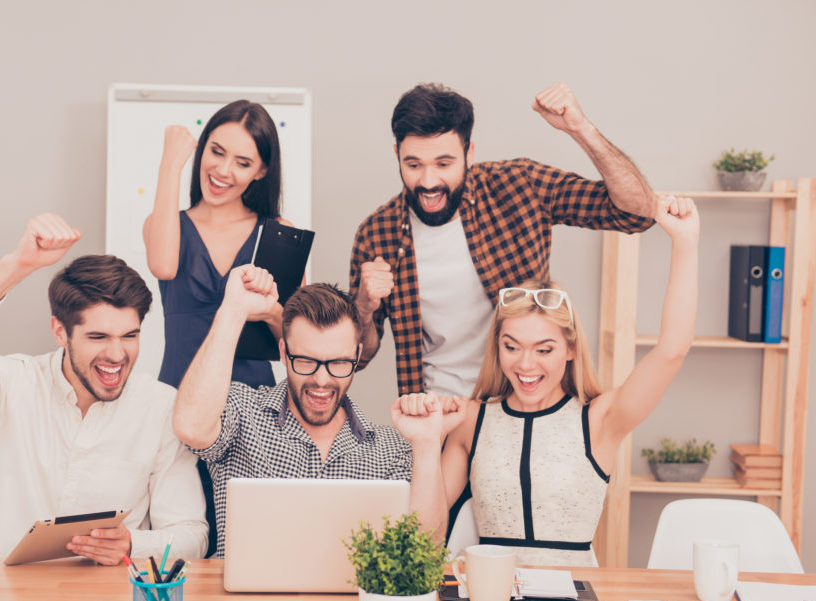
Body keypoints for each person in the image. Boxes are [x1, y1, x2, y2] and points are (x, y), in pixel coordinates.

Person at [0, 214, 208, 564]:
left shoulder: (161, 407)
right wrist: (16, 265)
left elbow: (192, 535)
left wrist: (132, 544)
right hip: (9, 598)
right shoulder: (11, 386)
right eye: (98, 337)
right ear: (60, 332)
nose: (117, 354)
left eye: (130, 336)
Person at [420, 196, 699, 567]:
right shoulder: (471, 420)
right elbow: (424, 536)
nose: (525, 364)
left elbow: (672, 350)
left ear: (570, 349)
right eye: (512, 346)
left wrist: (685, 242)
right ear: (497, 347)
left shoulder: (601, 419)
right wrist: (426, 441)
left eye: (544, 349)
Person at [351, 82, 658, 398]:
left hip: (526, 404)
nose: (429, 182)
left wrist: (580, 129)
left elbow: (638, 214)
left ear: (469, 153)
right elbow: (358, 356)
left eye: (444, 164)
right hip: (441, 414)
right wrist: (363, 306)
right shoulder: (377, 233)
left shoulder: (519, 185)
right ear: (396, 154)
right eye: (413, 165)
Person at [172, 266, 462, 557]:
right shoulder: (243, 413)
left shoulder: (390, 450)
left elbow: (424, 551)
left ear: (357, 356)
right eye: (307, 361)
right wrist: (233, 310)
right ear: (284, 353)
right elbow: (191, 427)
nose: (322, 381)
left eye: (338, 363)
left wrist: (426, 444)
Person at [143, 99, 287, 390]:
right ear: (203, 147)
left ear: (261, 171)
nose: (222, 170)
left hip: (255, 409)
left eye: (242, 163)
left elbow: (298, 344)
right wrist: (170, 164)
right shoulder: (165, 224)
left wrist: (270, 310)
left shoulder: (278, 234)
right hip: (176, 398)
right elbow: (162, 266)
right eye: (216, 152)